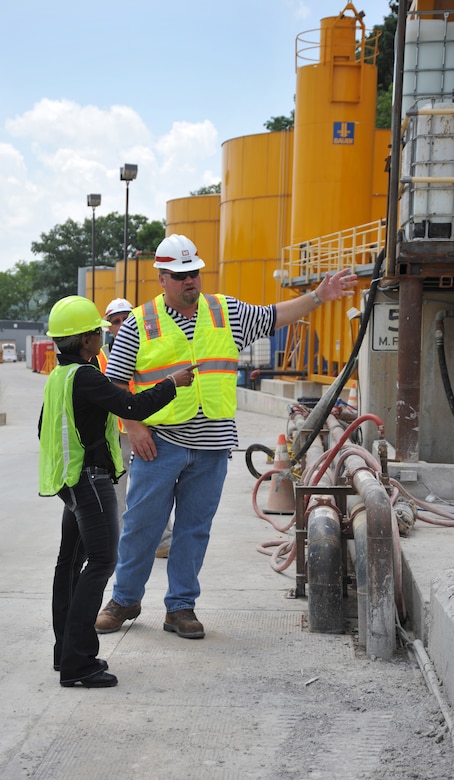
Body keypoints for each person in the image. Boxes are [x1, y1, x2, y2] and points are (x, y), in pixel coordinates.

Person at [96, 234, 357, 640]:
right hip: (158, 446)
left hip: (213, 446)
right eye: (181, 275)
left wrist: (318, 296)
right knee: (141, 527)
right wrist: (134, 426)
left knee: (193, 530)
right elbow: (113, 384)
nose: (190, 281)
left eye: (194, 273)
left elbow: (273, 316)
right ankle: (125, 599)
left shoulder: (224, 311)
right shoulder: (139, 322)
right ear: (162, 277)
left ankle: (180, 607)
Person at [39, 294, 196, 687]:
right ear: (88, 340)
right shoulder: (88, 376)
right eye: (98, 331)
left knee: (69, 564)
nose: (103, 337)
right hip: (89, 480)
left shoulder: (60, 376)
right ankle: (79, 663)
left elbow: (44, 428)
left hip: (69, 482)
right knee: (102, 562)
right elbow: (131, 406)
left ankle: (66, 653)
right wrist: (171, 384)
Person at [98, 297, 173, 556]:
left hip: (145, 427)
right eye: (115, 321)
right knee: (117, 489)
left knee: (155, 485)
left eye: (126, 319)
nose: (121, 325)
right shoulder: (101, 356)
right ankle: (120, 542)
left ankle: (163, 540)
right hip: (116, 432)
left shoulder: (149, 349)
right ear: (108, 327)